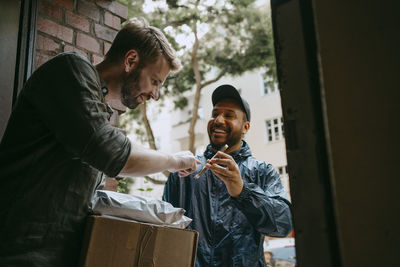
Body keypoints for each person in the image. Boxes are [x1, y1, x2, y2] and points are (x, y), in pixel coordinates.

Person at [0, 18, 199, 266]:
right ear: (130, 60)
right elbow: (114, 153)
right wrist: (173, 160)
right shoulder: (70, 71)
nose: (154, 94)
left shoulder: (95, 112)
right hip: (17, 254)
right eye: (155, 81)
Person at [163, 84, 293, 267]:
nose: (218, 120)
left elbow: (283, 224)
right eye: (215, 114)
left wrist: (243, 192)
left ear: (245, 127)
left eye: (229, 115)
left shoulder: (263, 172)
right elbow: (165, 229)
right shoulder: (185, 171)